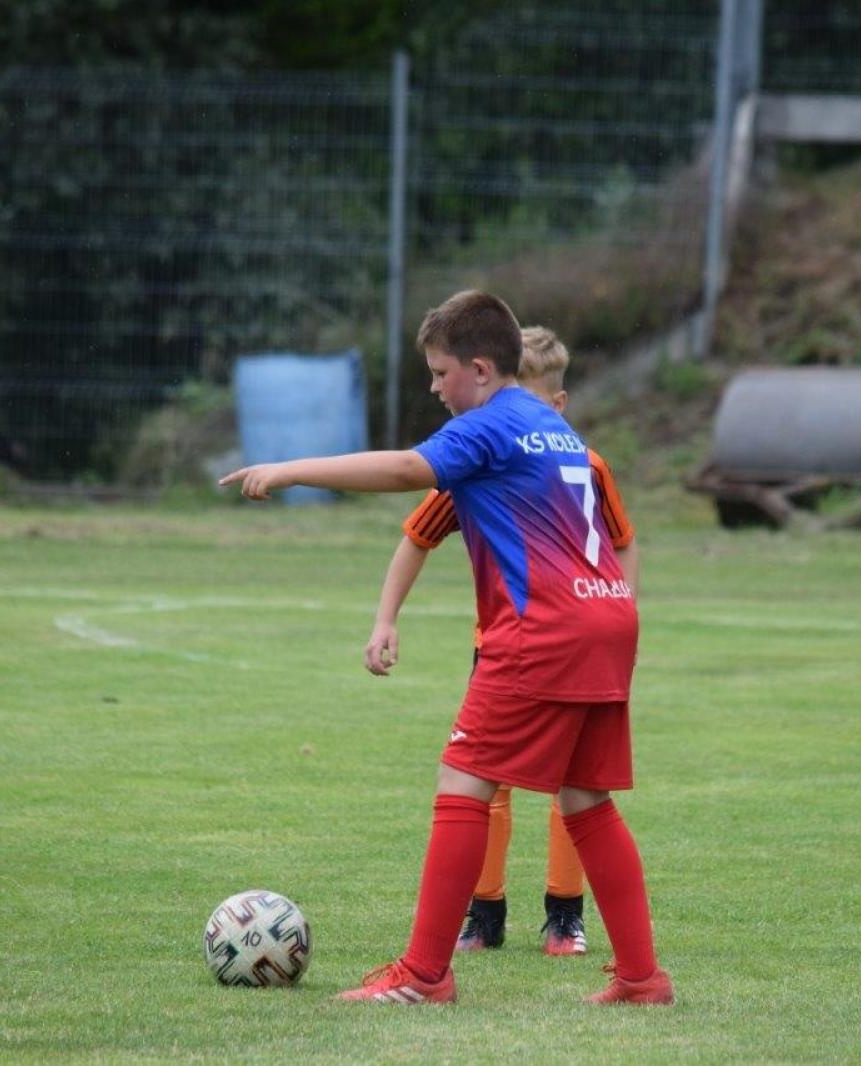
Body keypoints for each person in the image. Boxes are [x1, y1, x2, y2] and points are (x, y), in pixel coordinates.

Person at [220, 289, 672, 1007]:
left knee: (463, 782)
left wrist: (294, 469)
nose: (433, 388)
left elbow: (406, 471)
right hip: (608, 619)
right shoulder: (547, 423)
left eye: (439, 373)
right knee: (587, 800)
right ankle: (643, 979)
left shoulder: (488, 425)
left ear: (482, 369)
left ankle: (425, 974)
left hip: (543, 629)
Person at [363, 325, 640, 959]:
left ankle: (553, 922)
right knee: (564, 791)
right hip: (552, 635)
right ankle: (487, 917)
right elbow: (421, 533)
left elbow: (620, 543)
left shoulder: (524, 448)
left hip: (535, 639)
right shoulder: (557, 450)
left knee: (480, 781)